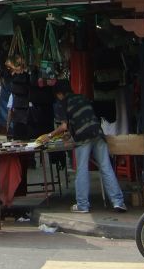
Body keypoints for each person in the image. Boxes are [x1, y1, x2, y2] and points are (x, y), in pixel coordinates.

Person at [51, 79, 126, 214]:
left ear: (59, 94)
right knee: (106, 167)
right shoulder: (82, 98)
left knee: (82, 169)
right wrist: (70, 133)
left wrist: (49, 135)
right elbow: (83, 118)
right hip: (97, 133)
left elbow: (63, 126)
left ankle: (82, 205)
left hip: (83, 137)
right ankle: (118, 202)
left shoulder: (61, 103)